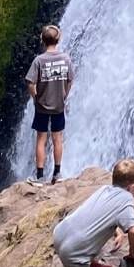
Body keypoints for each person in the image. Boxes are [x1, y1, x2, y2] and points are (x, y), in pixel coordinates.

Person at [52, 158, 134, 267]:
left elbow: (98, 213)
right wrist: (133, 255)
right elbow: (133, 232)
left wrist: (118, 233)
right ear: (132, 186)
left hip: (60, 234)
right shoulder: (126, 198)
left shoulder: (104, 189)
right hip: (74, 252)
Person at [26, 23, 75, 183]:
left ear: (42, 40)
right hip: (59, 105)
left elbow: (30, 83)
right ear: (58, 39)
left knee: (41, 138)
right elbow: (70, 80)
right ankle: (57, 174)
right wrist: (64, 95)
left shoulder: (39, 61)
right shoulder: (66, 59)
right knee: (58, 138)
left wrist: (35, 97)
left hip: (42, 106)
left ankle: (39, 176)